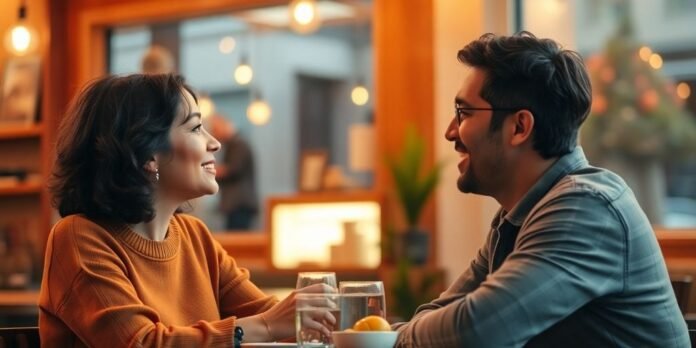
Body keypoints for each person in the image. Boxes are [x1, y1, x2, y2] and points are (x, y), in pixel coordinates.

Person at [392, 32, 689, 347]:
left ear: (520, 127)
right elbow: (442, 313)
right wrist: (393, 336)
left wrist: (390, 338)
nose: (450, 131)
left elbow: (476, 332)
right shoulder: (518, 215)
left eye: (463, 113)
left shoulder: (585, 208)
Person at [39, 74, 335, 347]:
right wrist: (266, 326)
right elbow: (141, 343)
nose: (215, 143)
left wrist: (332, 322)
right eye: (195, 128)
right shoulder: (78, 238)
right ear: (148, 154)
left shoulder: (196, 237)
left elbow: (277, 319)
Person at [208, 114, 259, 230]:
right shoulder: (233, 145)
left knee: (239, 242)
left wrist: (207, 170)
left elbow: (233, 169)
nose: (214, 135)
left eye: (215, 130)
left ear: (225, 126)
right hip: (236, 204)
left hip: (240, 204)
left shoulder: (239, 144)